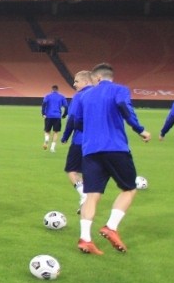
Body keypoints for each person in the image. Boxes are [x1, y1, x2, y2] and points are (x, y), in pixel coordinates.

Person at [67, 63, 150, 255]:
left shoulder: (85, 95)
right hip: (115, 148)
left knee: (92, 195)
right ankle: (111, 226)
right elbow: (124, 107)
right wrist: (140, 130)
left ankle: (85, 239)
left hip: (89, 150)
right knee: (129, 189)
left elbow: (76, 120)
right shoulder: (119, 89)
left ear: (96, 78)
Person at [60, 71, 93, 213]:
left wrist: (65, 136)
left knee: (71, 170)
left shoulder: (79, 96)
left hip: (80, 140)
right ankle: (87, 202)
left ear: (86, 81)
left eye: (77, 81)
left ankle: (83, 195)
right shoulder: (100, 96)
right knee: (89, 171)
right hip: (98, 142)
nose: (74, 84)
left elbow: (72, 118)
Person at [42, 84, 68, 152]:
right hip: (57, 116)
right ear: (57, 90)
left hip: (49, 115)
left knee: (47, 131)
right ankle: (52, 148)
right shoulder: (61, 96)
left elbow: (44, 104)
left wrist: (43, 113)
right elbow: (66, 106)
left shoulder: (47, 96)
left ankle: (47, 139)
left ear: (52, 89)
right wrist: (64, 114)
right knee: (56, 132)